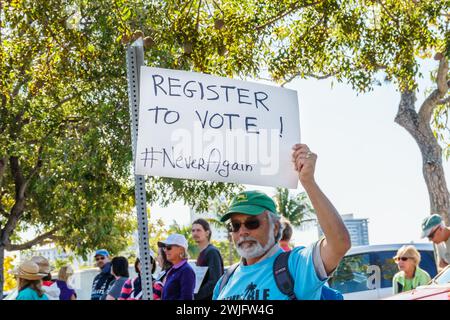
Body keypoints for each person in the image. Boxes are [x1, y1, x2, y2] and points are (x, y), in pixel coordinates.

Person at [213, 143, 351, 300]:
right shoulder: (224, 282)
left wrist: (308, 181)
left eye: (252, 223)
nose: (242, 231)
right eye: (235, 225)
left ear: (275, 227)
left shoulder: (295, 266)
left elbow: (339, 243)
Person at [192, 218, 224, 300]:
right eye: (193, 230)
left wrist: (195, 296)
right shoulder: (202, 253)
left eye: (198, 230)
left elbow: (215, 281)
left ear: (207, 233)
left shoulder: (212, 252)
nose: (195, 233)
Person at [158, 234, 196, 300]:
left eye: (169, 247)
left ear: (181, 249)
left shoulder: (186, 271)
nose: (165, 250)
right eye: (164, 247)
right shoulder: (172, 270)